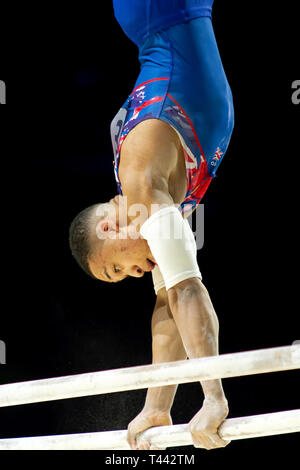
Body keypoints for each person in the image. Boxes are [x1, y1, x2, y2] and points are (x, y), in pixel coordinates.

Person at [69, 0, 234, 451]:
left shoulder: (143, 189)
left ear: (108, 229)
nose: (132, 275)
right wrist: (156, 406)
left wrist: (214, 397)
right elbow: (168, 305)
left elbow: (187, 290)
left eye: (115, 268)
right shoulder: (163, 204)